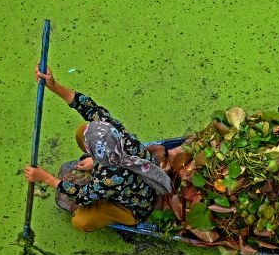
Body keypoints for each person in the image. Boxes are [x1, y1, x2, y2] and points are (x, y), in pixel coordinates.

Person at [22, 68, 172, 232]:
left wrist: (45, 178)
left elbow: (82, 195)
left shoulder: (107, 179)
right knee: (82, 130)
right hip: (132, 174)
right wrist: (54, 85)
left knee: (81, 221)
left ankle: (128, 217)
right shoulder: (116, 130)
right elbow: (87, 106)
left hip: (137, 205)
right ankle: (97, 160)